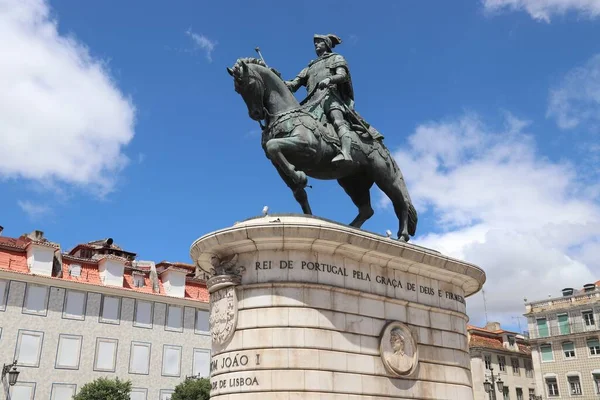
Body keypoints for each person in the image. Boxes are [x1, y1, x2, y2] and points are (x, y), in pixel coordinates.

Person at [285, 34, 356, 164]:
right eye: (315, 43)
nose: (316, 45)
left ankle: (346, 152)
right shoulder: (310, 67)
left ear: (327, 44)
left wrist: (330, 79)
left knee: (338, 121)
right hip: (311, 102)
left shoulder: (336, 58)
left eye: (319, 42)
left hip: (330, 96)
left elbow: (342, 75)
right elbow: (294, 84)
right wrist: (279, 81)